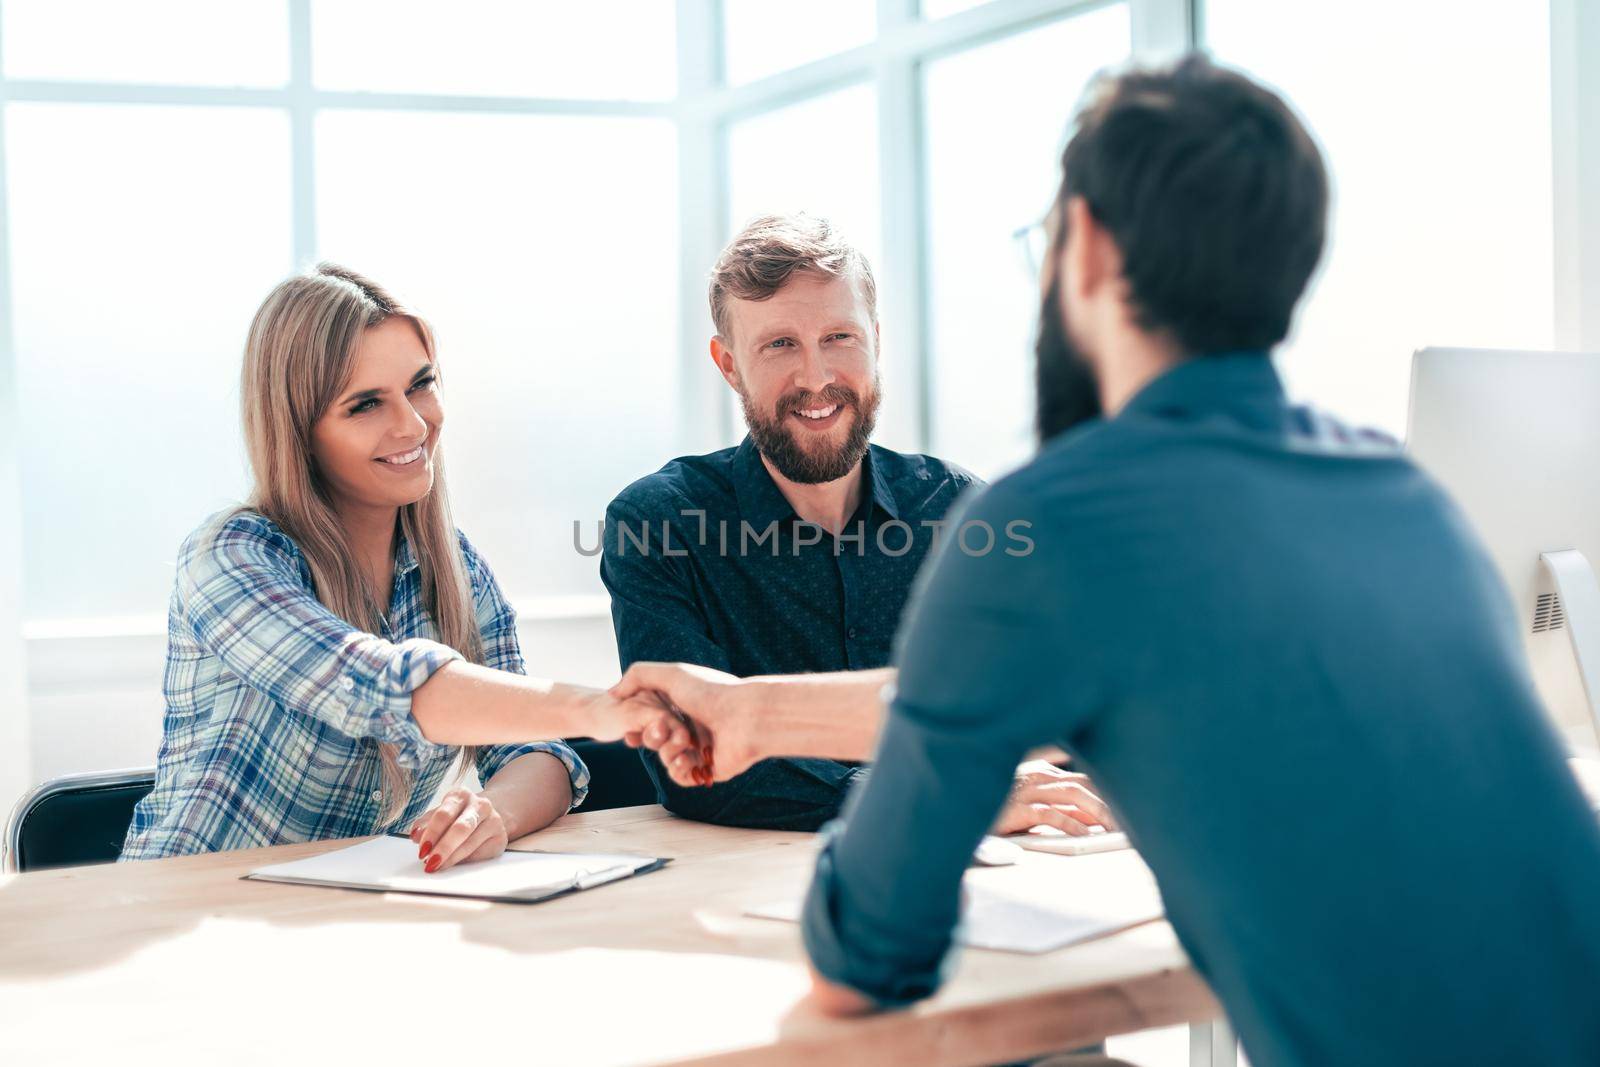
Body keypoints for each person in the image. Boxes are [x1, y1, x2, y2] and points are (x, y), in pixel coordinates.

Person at [623, 58, 1600, 1065]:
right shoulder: (1408, 499)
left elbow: (865, 950)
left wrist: (836, 750)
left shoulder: (1053, 522)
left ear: (1081, 247)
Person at [123, 265, 681, 870]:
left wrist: (491, 814)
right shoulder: (232, 556)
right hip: (182, 903)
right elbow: (385, 686)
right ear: (299, 433)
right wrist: (602, 707)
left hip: (330, 908)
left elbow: (533, 753)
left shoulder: (454, 565)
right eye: (365, 405)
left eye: (420, 384)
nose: (414, 424)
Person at [601, 214, 1114, 836]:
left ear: (875, 339)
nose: (816, 378)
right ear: (729, 364)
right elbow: (693, 761)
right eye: (779, 345)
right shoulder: (660, 524)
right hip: (752, 887)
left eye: (839, 337)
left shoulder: (961, 511)